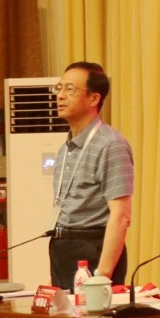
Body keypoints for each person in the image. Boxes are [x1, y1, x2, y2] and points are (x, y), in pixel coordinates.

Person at [50, 62, 134, 290]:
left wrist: (102, 274)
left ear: (94, 98)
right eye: (59, 88)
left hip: (92, 249)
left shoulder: (111, 144)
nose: (60, 96)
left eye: (70, 89)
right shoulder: (66, 148)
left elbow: (121, 215)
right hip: (62, 246)